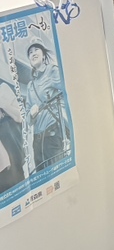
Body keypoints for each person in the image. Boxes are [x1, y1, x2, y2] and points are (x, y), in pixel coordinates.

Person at [23, 42, 67, 173]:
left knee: (58, 174)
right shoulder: (30, 86)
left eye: (36, 50)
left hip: (52, 132)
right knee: (42, 177)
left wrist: (58, 106)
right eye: (30, 52)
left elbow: (66, 90)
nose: (33, 53)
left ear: (43, 55)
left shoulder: (52, 70)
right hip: (37, 140)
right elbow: (27, 119)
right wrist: (31, 114)